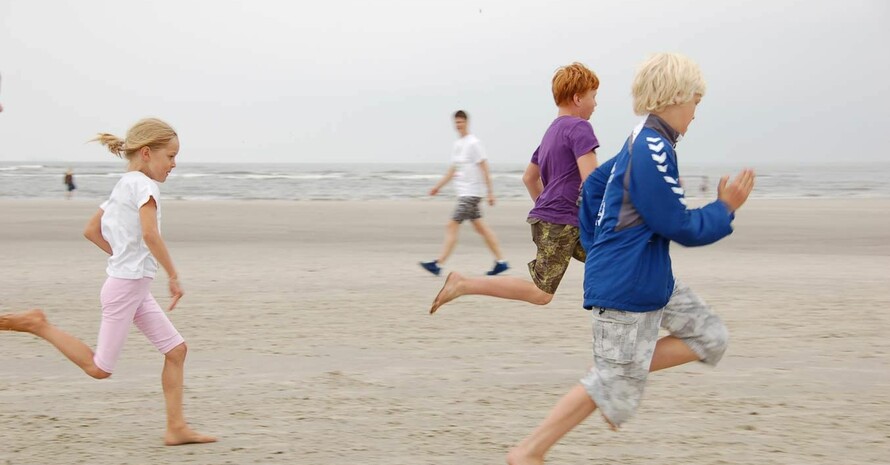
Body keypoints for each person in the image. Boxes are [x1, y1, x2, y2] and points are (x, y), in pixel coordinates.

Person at [506, 53, 755, 464]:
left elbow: (591, 192)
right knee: (606, 382)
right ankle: (528, 452)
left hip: (649, 279)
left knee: (711, 336)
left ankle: (622, 367)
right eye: (695, 102)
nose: (696, 113)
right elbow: (678, 224)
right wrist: (725, 207)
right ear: (675, 97)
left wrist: (600, 243)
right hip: (626, 288)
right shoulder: (651, 149)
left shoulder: (642, 137)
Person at [0, 118, 216, 446]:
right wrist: (172, 275)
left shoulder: (123, 184)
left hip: (131, 284)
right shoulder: (145, 186)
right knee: (100, 368)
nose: (174, 164)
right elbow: (148, 233)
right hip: (127, 286)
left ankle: (176, 428)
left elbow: (91, 231)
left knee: (176, 350)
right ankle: (37, 324)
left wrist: (123, 256)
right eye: (170, 156)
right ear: (147, 152)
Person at [429, 63, 599, 313]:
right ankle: (463, 284)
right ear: (577, 98)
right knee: (541, 293)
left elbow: (529, 178)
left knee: (609, 256)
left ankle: (612, 304)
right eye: (593, 97)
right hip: (563, 223)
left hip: (551, 220)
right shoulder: (580, 128)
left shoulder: (551, 132)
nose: (595, 104)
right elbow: (592, 182)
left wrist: (548, 206)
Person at [420, 110, 509, 276]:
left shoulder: (474, 143)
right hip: (464, 193)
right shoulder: (458, 145)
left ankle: (438, 264)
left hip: (471, 193)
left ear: (467, 122)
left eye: (461, 122)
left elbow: (484, 167)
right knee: (481, 228)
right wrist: (438, 187)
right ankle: (501, 262)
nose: (458, 125)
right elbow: (453, 170)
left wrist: (490, 192)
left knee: (451, 224)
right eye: (456, 123)